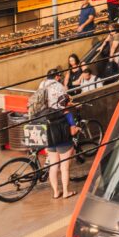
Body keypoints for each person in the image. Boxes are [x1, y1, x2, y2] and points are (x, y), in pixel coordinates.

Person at [35, 68, 78, 199]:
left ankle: (55, 192)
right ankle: (66, 192)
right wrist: (77, 128)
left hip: (48, 132)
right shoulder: (66, 112)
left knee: (53, 166)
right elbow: (72, 130)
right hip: (62, 135)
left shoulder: (42, 84)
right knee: (64, 167)